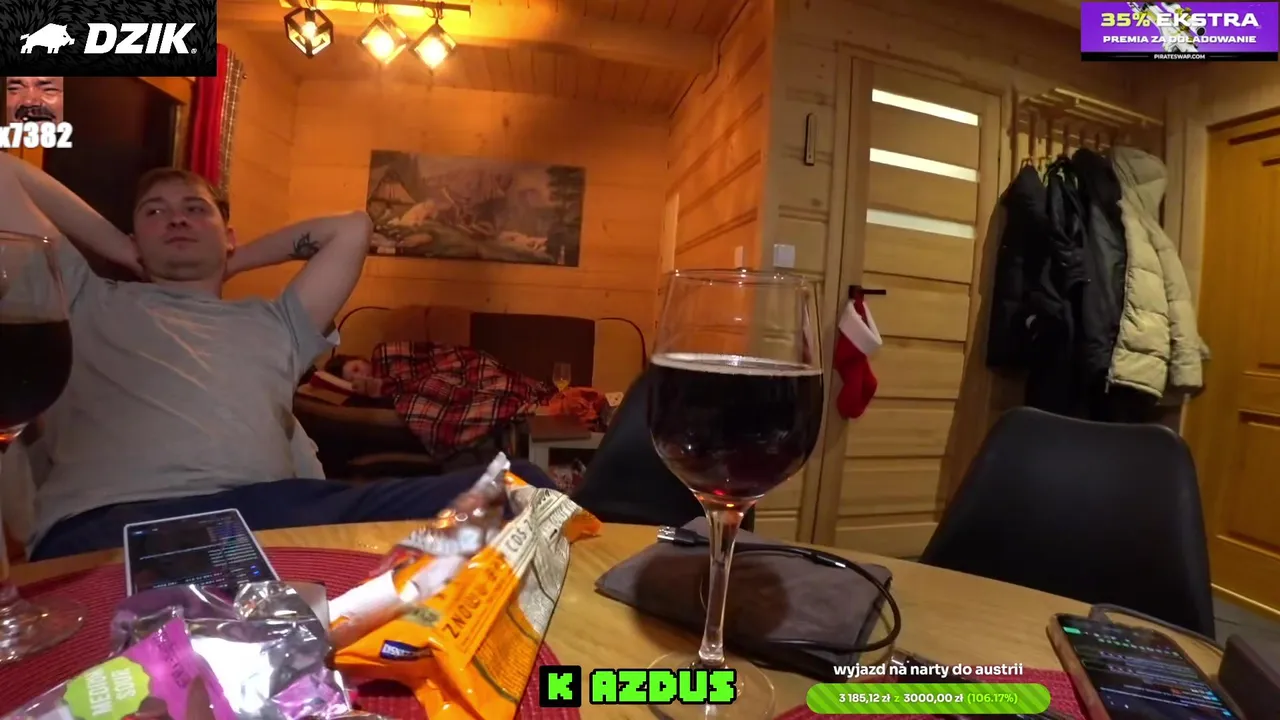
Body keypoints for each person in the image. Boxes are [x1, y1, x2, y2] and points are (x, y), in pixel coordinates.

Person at [0, 153, 555, 561]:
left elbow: (352, 228)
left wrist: (231, 260)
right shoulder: (83, 296)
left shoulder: (277, 321)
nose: (176, 219)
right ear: (133, 235)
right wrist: (122, 249)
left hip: (270, 513)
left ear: (229, 235)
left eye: (195, 209)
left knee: (522, 489)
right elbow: (5, 170)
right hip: (116, 521)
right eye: (155, 212)